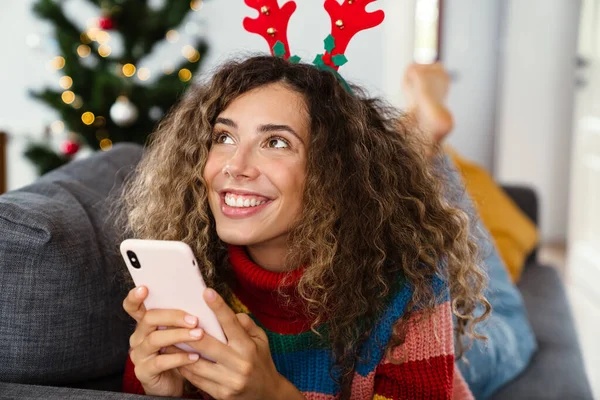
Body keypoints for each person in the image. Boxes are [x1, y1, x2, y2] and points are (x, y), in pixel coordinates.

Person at [118, 56, 490, 399]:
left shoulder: (412, 283)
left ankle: (426, 135)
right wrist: (159, 392)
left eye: (276, 142)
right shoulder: (194, 271)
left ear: (333, 173)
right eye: (224, 137)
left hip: (458, 349)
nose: (235, 165)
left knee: (504, 346)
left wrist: (273, 394)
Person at [403, 62, 537, 399]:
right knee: (502, 312)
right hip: (448, 345)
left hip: (417, 327)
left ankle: (420, 150)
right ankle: (425, 154)